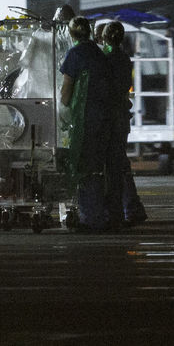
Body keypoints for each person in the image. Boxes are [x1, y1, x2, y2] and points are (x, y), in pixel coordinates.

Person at [59, 16, 112, 232]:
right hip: (102, 116)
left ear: (71, 34)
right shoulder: (99, 53)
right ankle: (99, 214)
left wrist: (62, 110)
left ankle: (89, 217)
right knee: (97, 166)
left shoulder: (75, 54)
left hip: (83, 117)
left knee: (82, 166)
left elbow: (67, 88)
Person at [103, 21, 147, 227]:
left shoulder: (109, 59)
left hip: (112, 118)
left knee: (115, 165)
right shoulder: (123, 58)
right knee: (120, 163)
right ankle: (130, 207)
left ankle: (123, 210)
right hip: (121, 116)